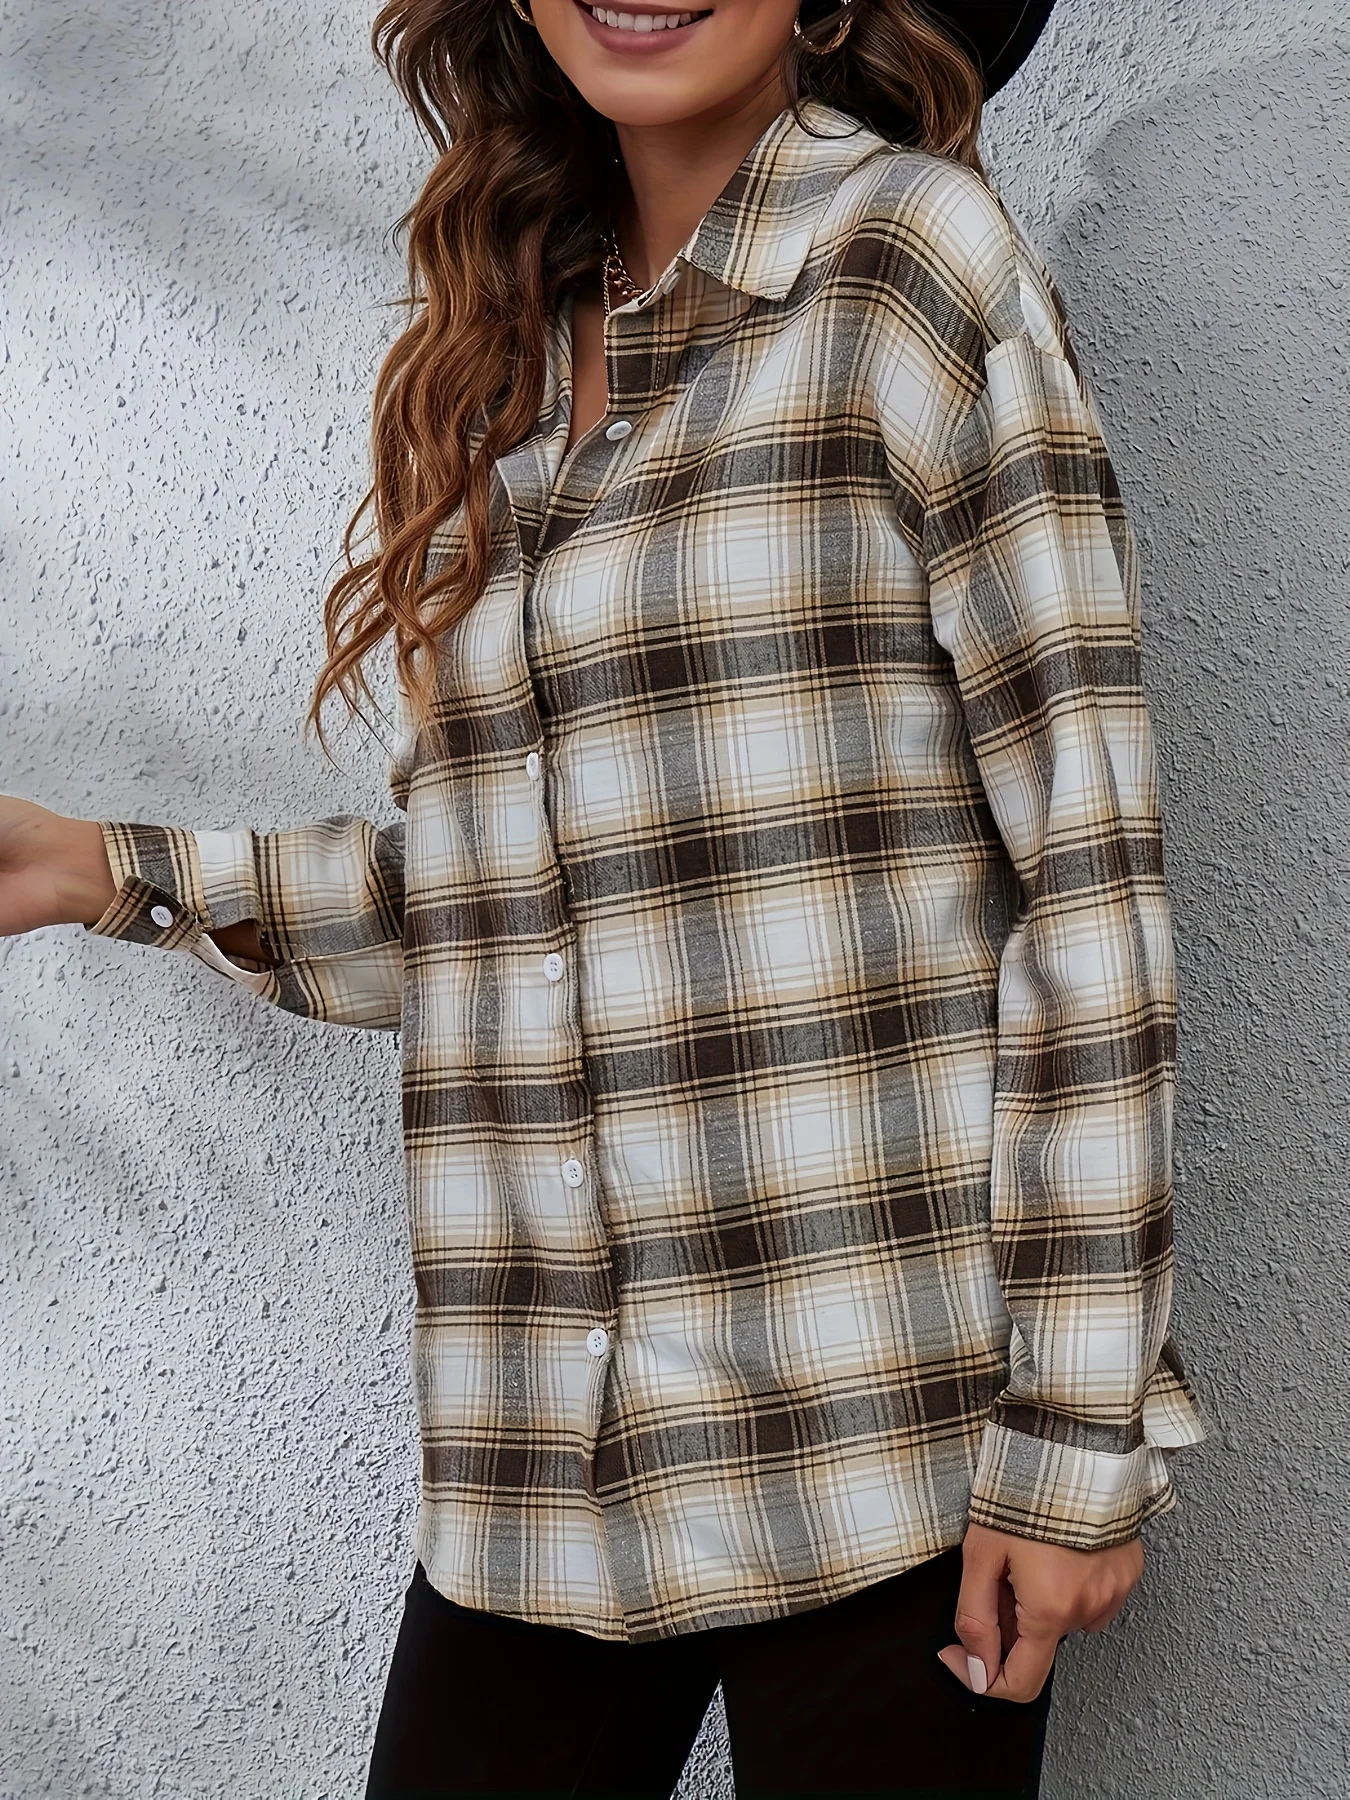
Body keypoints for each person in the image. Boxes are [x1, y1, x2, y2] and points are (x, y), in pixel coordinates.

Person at [0, 1, 1211, 1793]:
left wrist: (1073, 1435)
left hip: (879, 1449)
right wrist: (109, 872)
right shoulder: (502, 359)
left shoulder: (909, 264)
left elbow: (1087, 877)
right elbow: (505, 908)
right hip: (537, 1484)